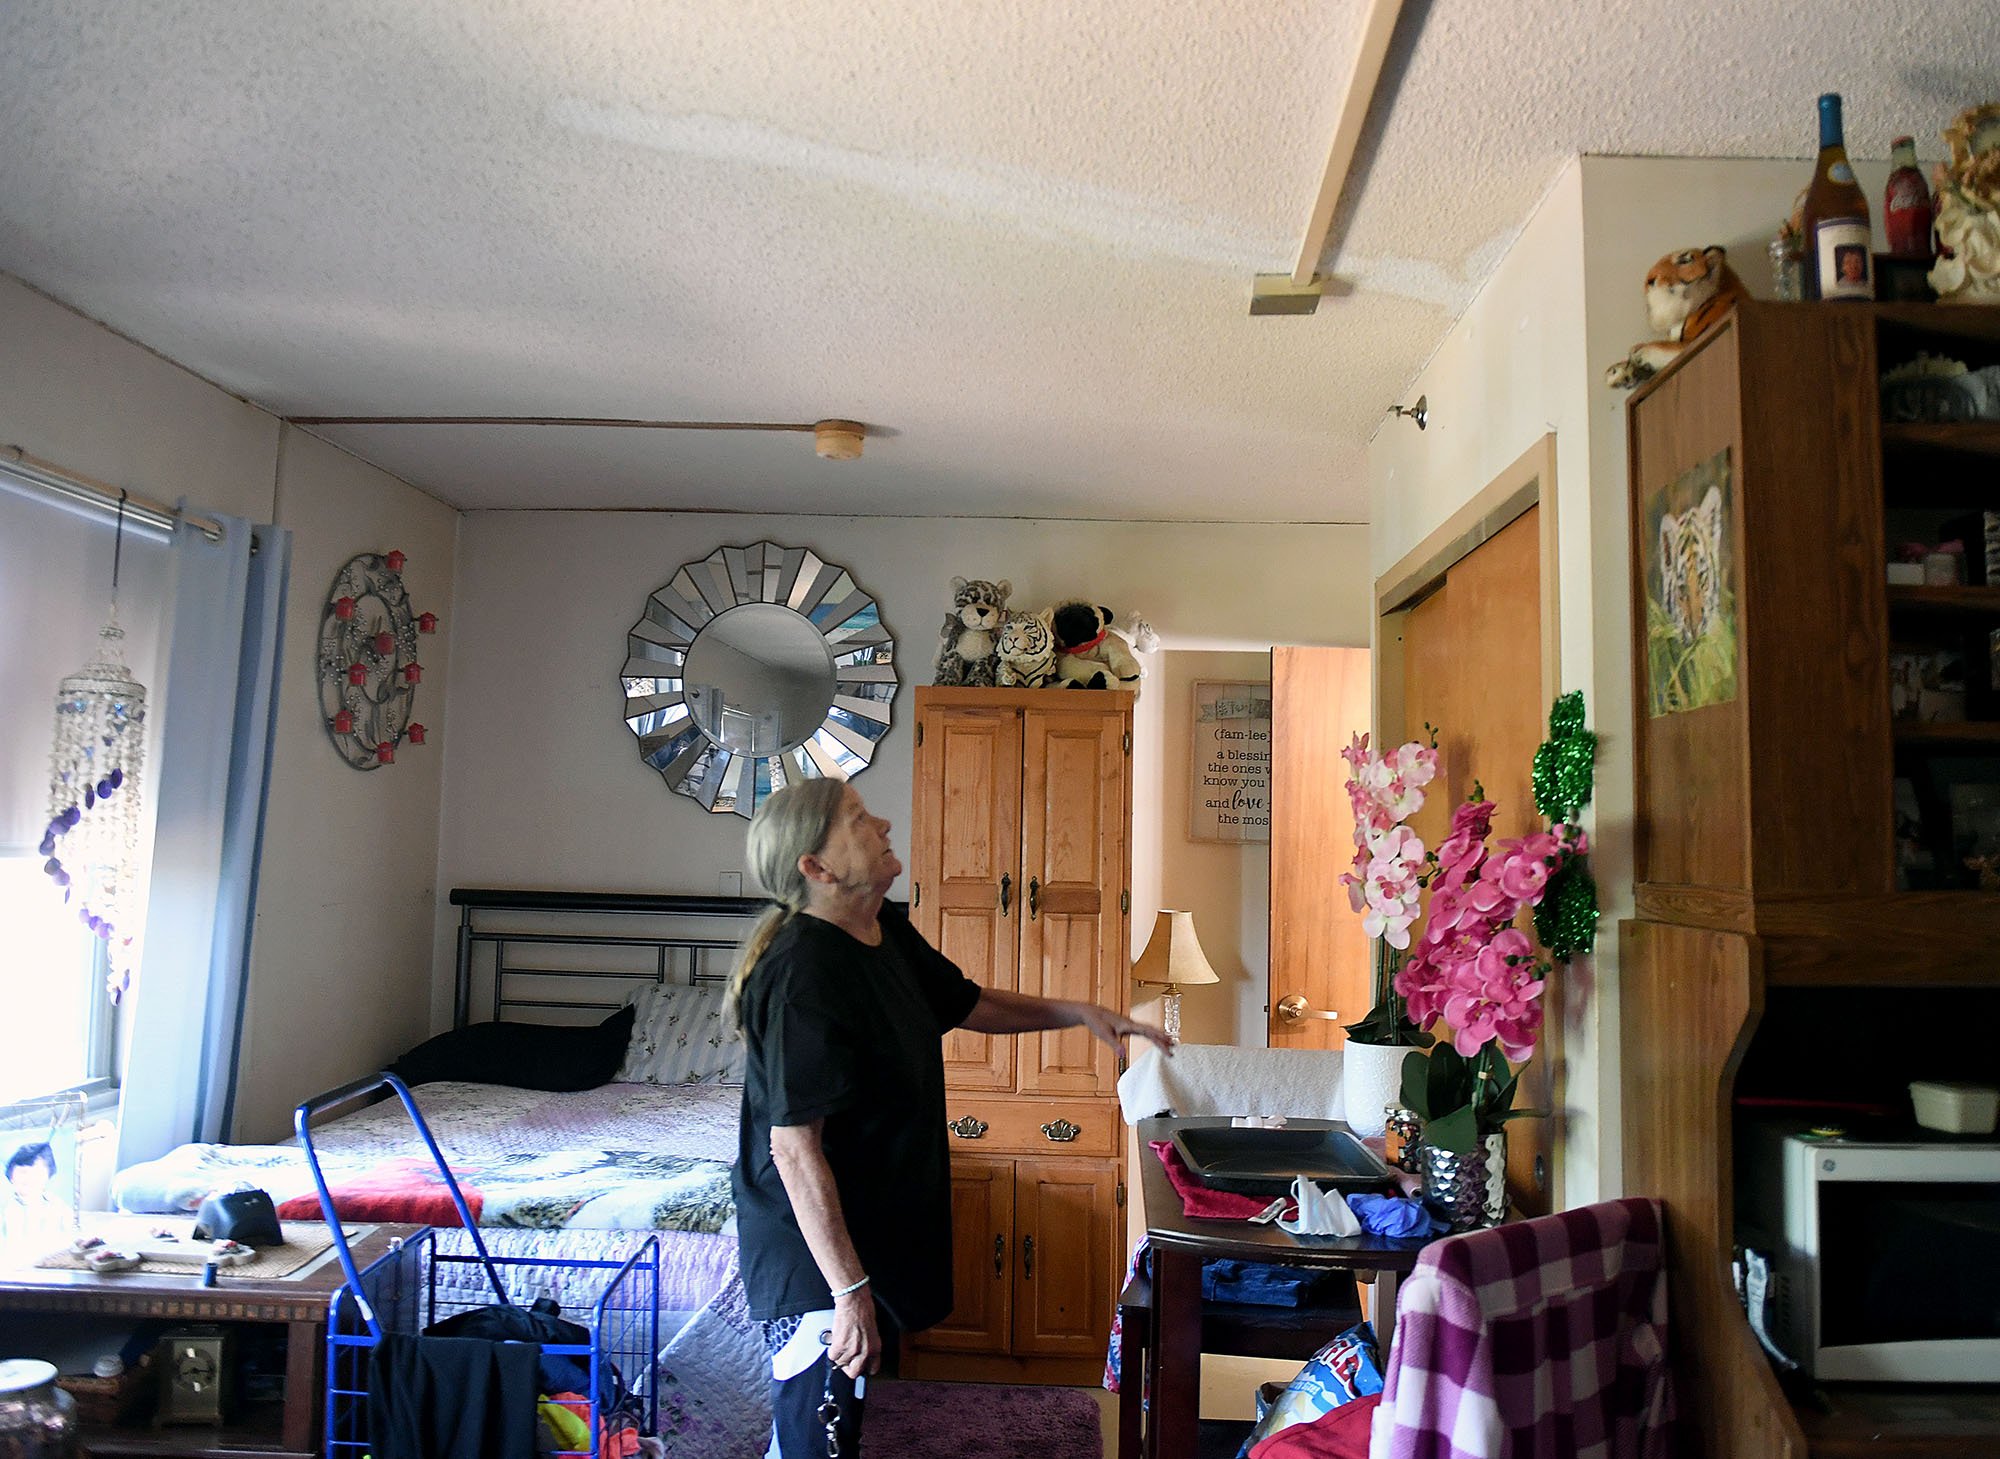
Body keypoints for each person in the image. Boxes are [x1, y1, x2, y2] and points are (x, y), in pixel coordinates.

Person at [728, 778, 1168, 1459]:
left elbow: (965, 1002)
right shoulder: (801, 972)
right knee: (817, 1440)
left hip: (867, 1233)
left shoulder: (883, 930)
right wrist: (848, 1291)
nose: (881, 823)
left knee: (846, 1430)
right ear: (816, 868)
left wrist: (1077, 1011)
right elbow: (792, 1147)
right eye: (855, 819)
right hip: (813, 1253)